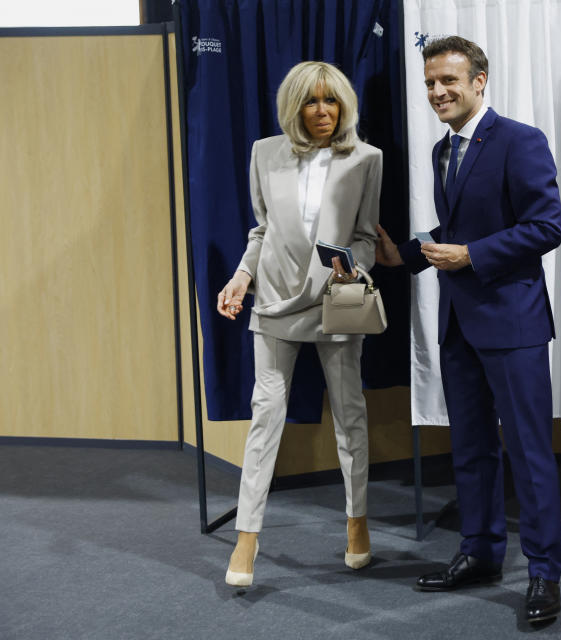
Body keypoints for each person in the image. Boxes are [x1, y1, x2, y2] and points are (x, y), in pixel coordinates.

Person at [375, 36, 561, 622]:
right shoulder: (442, 150)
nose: (438, 92)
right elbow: (456, 225)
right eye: (431, 83)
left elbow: (547, 226)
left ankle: (543, 575)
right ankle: (479, 553)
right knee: (473, 450)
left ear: (480, 81)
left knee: (529, 453)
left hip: (513, 323)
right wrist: (402, 255)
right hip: (459, 324)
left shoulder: (520, 141)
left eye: (449, 81)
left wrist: (473, 255)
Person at [217, 61, 382, 587]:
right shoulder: (265, 153)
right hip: (272, 304)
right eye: (311, 102)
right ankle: (247, 537)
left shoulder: (366, 158)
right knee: (265, 419)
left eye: (330, 101)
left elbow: (366, 238)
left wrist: (351, 263)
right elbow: (262, 229)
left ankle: (357, 522)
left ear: (344, 104)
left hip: (334, 300)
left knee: (350, 416)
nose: (322, 112)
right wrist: (241, 278)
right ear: (295, 106)